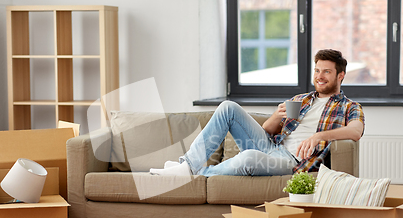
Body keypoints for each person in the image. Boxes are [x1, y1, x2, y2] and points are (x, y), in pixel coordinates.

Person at [150, 49, 364, 177]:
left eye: (326, 71)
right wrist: (276, 117)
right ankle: (187, 165)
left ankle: (193, 174)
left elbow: (355, 131)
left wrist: (319, 136)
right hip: (271, 146)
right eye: (317, 70)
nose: (320, 76)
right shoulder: (301, 99)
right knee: (228, 107)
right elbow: (267, 130)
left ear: (340, 75)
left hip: (291, 161)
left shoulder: (349, 106)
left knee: (250, 157)